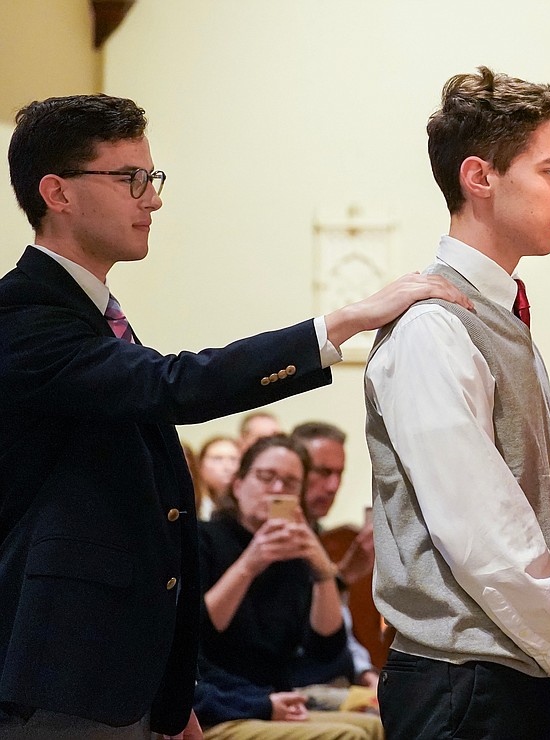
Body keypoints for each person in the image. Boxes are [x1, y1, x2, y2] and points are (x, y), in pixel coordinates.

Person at [0, 93, 469, 739]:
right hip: (59, 669)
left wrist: (174, 694)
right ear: (58, 192)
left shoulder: (94, 318)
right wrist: (343, 321)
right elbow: (176, 385)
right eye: (130, 178)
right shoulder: (22, 316)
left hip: (118, 674)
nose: (153, 199)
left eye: (153, 178)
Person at [363, 67, 550, 740]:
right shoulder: (433, 325)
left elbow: (545, 506)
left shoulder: (498, 312)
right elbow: (483, 531)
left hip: (513, 670)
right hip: (462, 684)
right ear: (480, 177)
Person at [193, 435, 382, 740]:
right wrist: (250, 563)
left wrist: (322, 571)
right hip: (220, 701)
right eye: (266, 477)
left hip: (274, 697)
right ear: (239, 484)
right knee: (349, 737)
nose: (278, 490)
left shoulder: (293, 555)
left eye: (291, 483)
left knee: (377, 724)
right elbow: (197, 631)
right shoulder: (204, 539)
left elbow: (326, 649)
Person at [290, 421, 380, 689]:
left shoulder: (317, 536)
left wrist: (365, 673)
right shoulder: (275, 537)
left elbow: (339, 632)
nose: (333, 486)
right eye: (323, 472)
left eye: (339, 474)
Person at [196, 435, 241, 520]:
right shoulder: (192, 502)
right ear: (200, 464)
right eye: (218, 459)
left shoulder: (244, 505)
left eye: (233, 459)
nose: (227, 467)